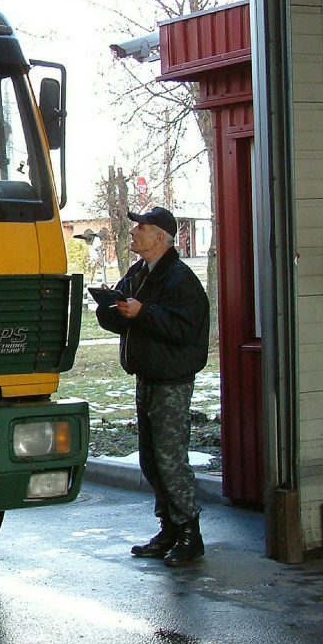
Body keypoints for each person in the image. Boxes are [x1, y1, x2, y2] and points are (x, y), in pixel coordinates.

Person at [95, 206, 211, 566]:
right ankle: (170, 529)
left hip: (171, 382)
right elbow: (125, 319)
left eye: (141, 228)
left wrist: (142, 312)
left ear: (160, 237)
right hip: (146, 378)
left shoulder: (180, 280)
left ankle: (190, 534)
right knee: (150, 460)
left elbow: (184, 330)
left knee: (169, 459)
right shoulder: (139, 274)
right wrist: (109, 307)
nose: (133, 234)